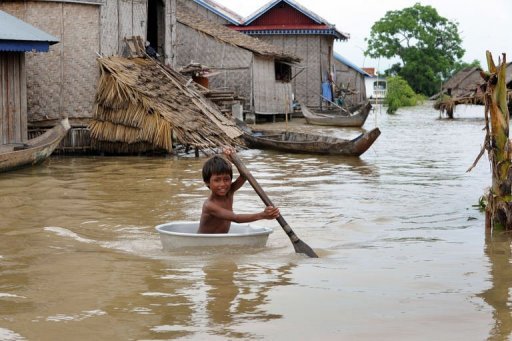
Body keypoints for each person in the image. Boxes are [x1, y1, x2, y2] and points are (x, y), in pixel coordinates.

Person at [198, 148, 280, 234]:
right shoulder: (209, 205)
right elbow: (236, 218)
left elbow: (244, 175)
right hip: (204, 241)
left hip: (220, 240)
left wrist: (234, 160)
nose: (222, 184)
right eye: (217, 180)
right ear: (207, 182)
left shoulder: (229, 191)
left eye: (226, 179)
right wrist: (262, 215)